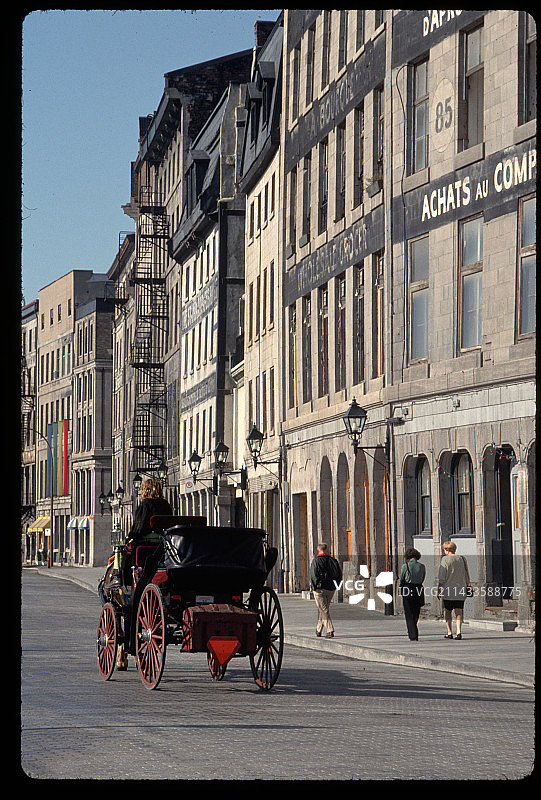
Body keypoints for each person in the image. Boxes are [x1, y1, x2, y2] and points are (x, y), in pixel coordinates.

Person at [109, 478, 173, 588]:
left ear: (146, 490)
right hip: (162, 541)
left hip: (146, 540)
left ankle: (118, 576)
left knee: (123, 550)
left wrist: (130, 536)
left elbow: (140, 526)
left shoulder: (145, 504)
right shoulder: (166, 505)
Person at [437, 540, 471, 639]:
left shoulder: (445, 560)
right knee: (459, 611)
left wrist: (439, 589)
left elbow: (442, 577)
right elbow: (466, 574)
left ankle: (449, 632)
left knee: (448, 612)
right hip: (460, 589)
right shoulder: (461, 559)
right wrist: (468, 585)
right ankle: (459, 632)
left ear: (446, 550)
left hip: (448, 590)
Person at [309, 543, 342, 638]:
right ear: (327, 550)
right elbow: (339, 574)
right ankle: (318, 629)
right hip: (331, 588)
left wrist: (315, 586)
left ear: (318, 550)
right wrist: (336, 585)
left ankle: (330, 630)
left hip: (319, 589)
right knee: (324, 609)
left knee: (323, 610)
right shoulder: (333, 561)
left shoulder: (316, 561)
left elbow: (313, 575)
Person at [399, 547, 426, 641]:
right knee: (416, 611)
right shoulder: (422, 566)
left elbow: (402, 578)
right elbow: (423, 578)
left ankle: (413, 633)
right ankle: (414, 628)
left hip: (407, 588)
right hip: (418, 588)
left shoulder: (405, 566)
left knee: (408, 612)